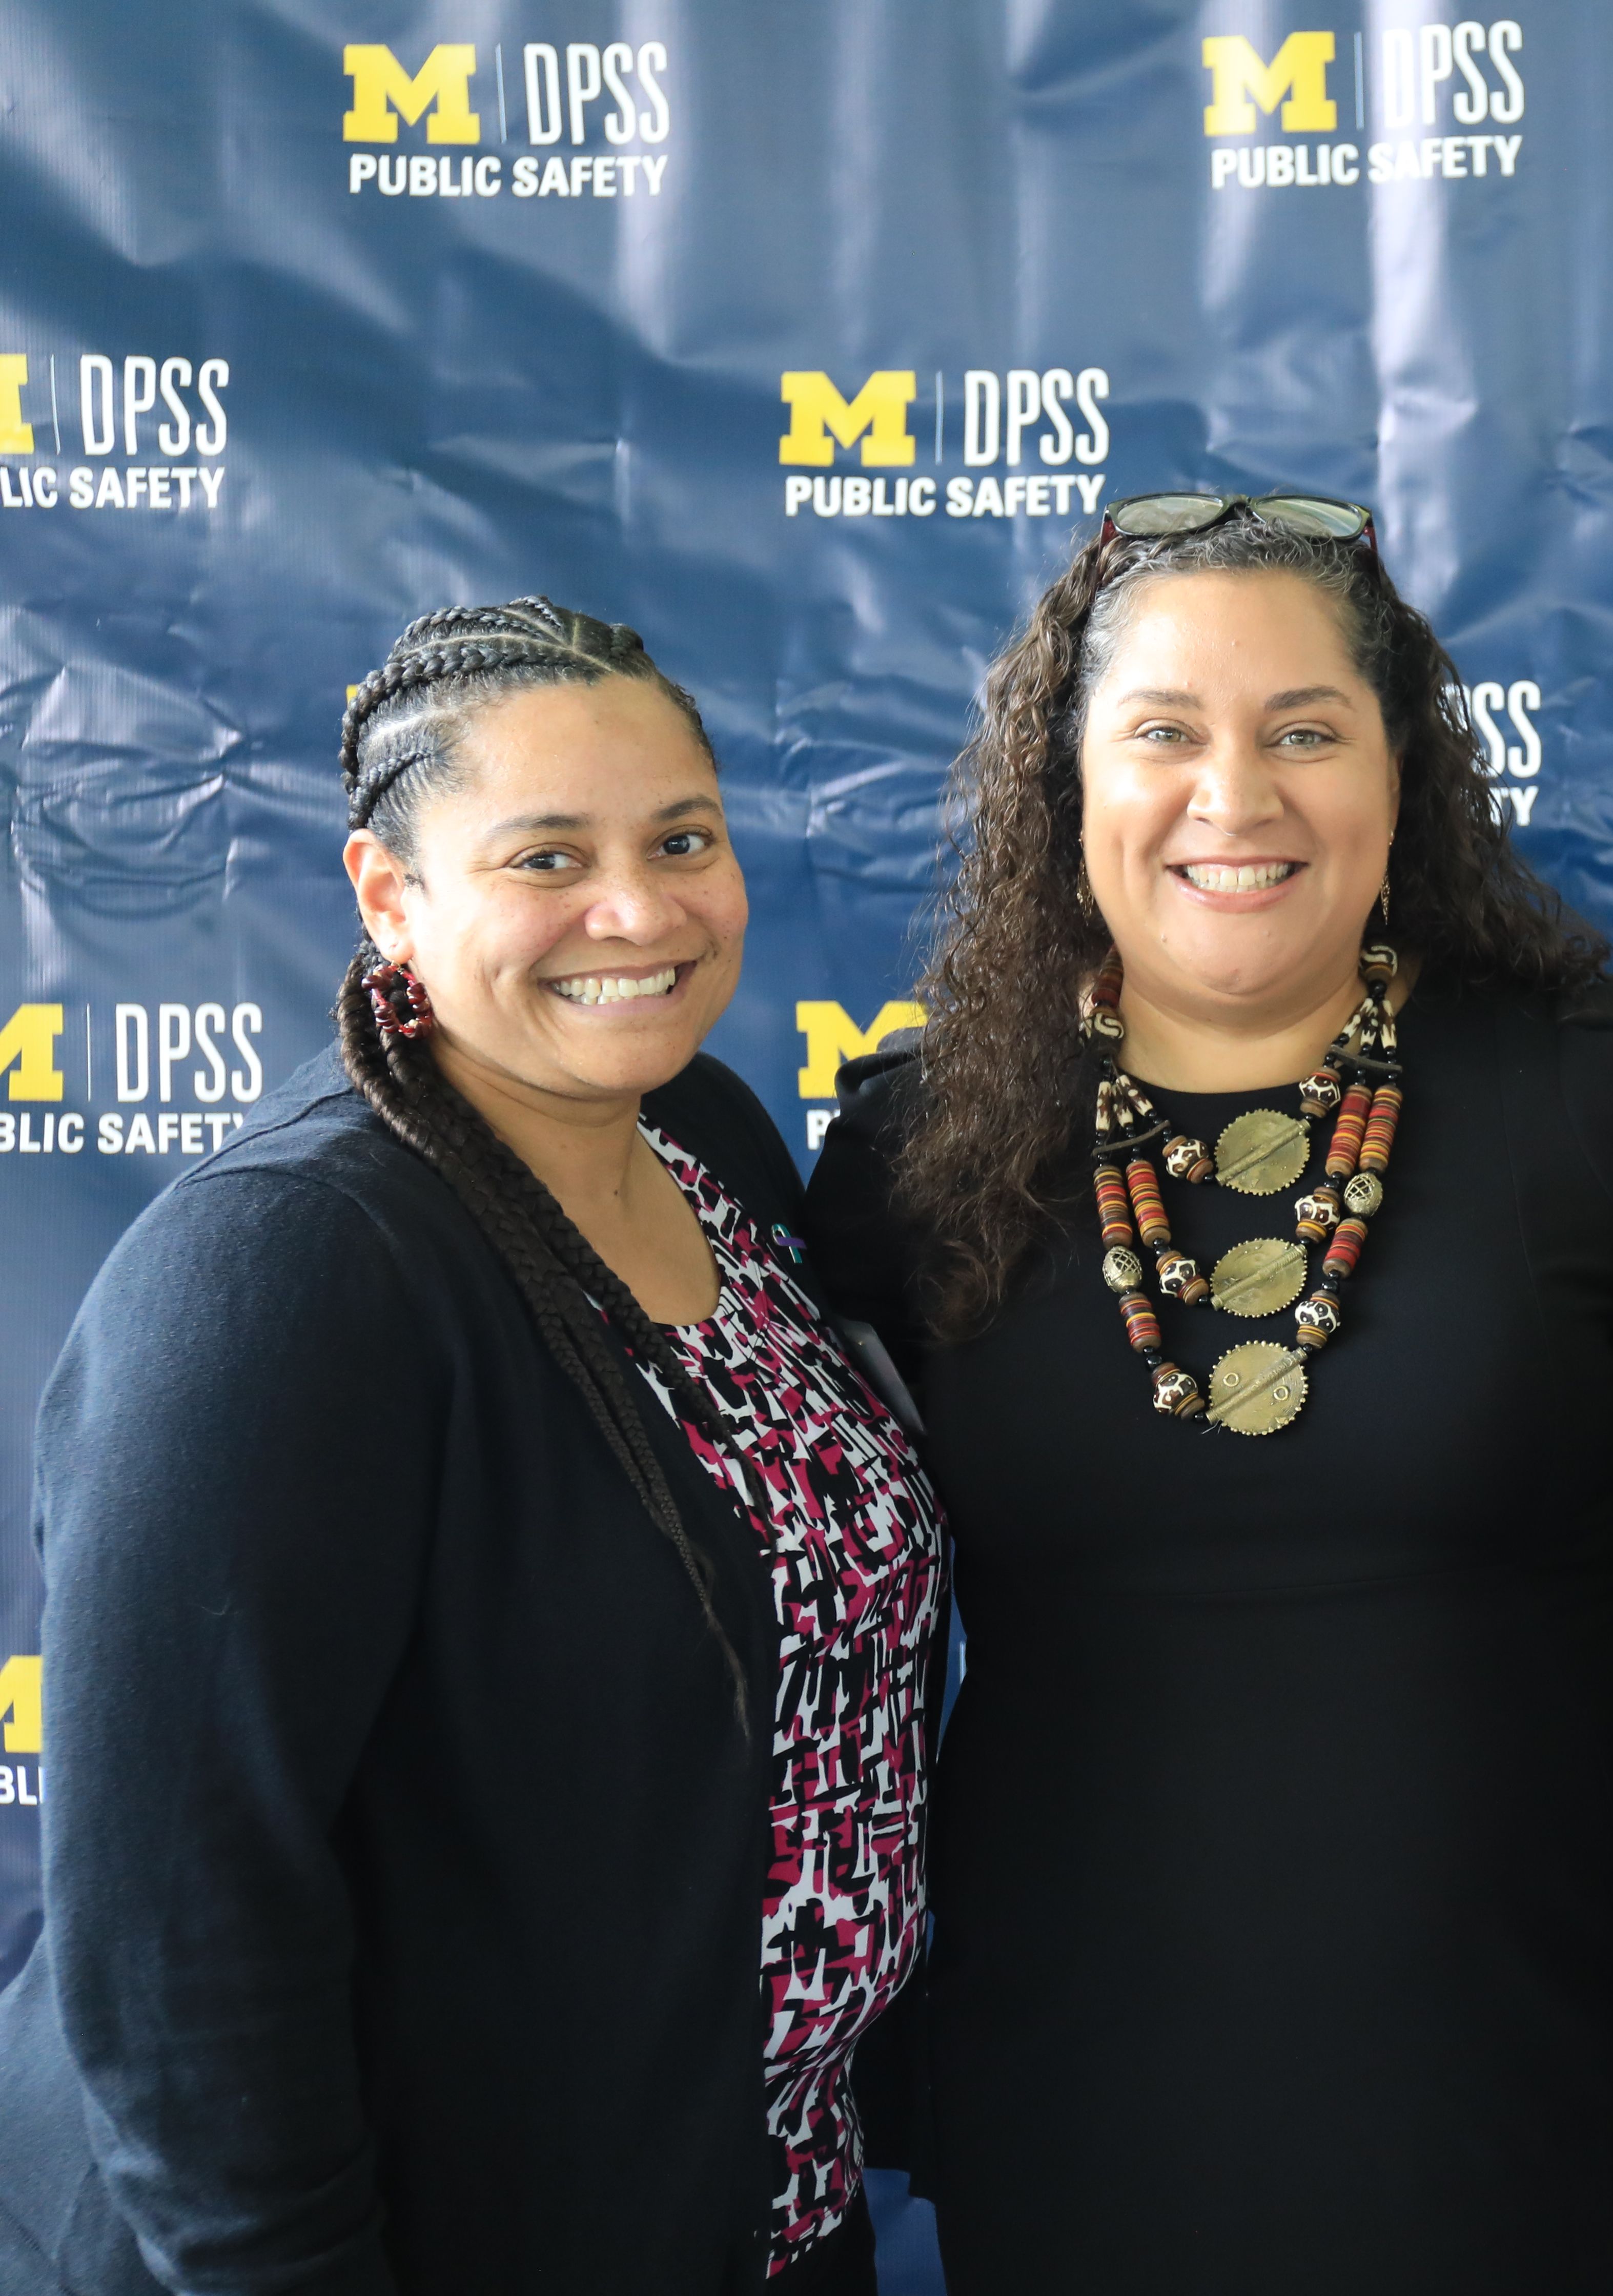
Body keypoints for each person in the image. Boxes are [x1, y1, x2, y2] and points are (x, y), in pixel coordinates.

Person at [803, 489, 1613, 2289]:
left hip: (1539, 2077)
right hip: (1081, 2081)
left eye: (1305, 732)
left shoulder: (1589, 1092)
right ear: (1067, 785)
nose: (1233, 797)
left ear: (1402, 776)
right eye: (1164, 732)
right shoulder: (913, 1144)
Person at [0, 600, 943, 2293]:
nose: (638, 910)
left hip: (764, 2202)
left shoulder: (704, 1133)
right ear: (389, 895)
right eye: (546, 856)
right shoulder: (289, 1271)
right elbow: (172, 1957)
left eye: (683, 839)